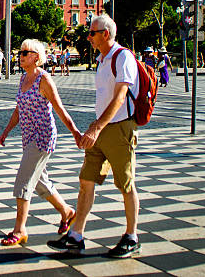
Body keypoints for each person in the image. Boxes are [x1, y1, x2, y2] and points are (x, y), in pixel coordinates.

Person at [47, 13, 141, 258]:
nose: (88, 37)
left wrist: (97, 127)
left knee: (125, 183)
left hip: (119, 128)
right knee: (86, 180)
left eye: (92, 33)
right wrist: (96, 126)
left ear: (105, 34)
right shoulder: (102, 60)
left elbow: (121, 97)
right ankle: (76, 236)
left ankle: (132, 236)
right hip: (100, 129)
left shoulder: (123, 58)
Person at [0, 39, 81, 246]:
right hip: (28, 137)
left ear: (36, 57)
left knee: (24, 181)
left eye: (25, 52)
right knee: (40, 182)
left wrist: (75, 132)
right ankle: (67, 212)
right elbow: (19, 109)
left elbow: (59, 108)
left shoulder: (44, 79)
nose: (20, 56)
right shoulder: (23, 78)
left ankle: (20, 230)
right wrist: (7, 131)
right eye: (20, 52)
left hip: (42, 137)